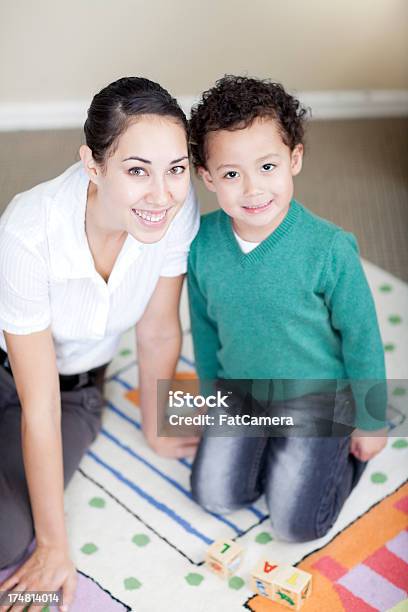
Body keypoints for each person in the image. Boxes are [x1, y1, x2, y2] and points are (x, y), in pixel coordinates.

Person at [0, 76, 199, 610]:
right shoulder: (27, 228)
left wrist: (158, 422)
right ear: (93, 165)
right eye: (137, 171)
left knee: (5, 537)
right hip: (14, 377)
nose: (162, 194)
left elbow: (157, 327)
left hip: (74, 394)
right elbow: (31, 404)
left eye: (176, 169)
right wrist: (56, 546)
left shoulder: (174, 214)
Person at [187, 75, 388, 543]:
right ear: (207, 177)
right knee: (216, 495)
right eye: (232, 174)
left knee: (296, 526)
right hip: (242, 394)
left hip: (317, 397)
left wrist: (371, 419)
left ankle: (336, 456)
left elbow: (361, 336)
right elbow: (203, 329)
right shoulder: (202, 245)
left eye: (267, 167)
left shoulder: (330, 249)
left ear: (294, 160)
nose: (253, 189)